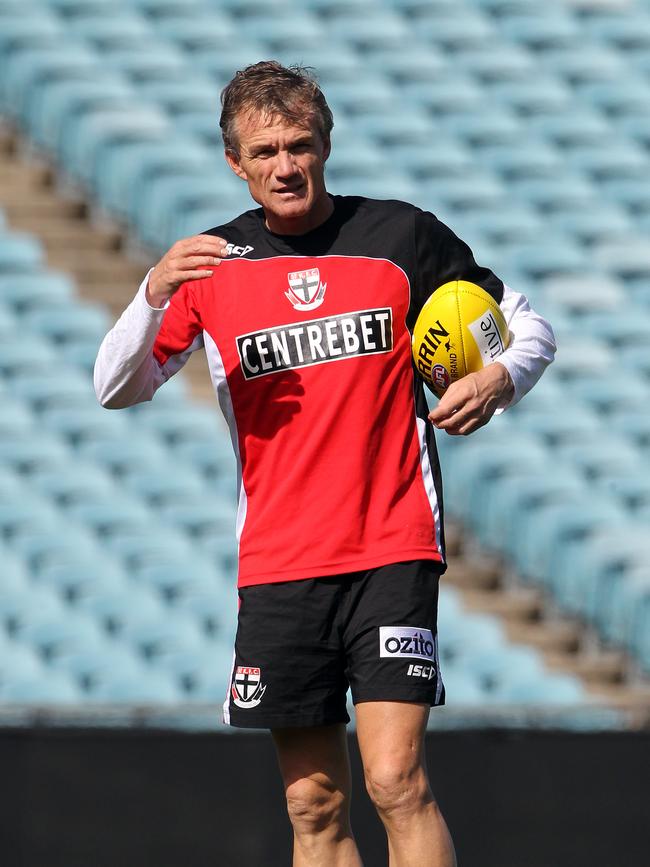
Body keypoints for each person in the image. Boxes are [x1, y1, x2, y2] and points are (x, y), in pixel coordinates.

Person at [94, 62, 556, 867]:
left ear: (326, 143)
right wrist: (152, 291)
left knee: (396, 780)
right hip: (279, 563)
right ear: (235, 162)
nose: (286, 165)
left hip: (392, 545)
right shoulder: (211, 268)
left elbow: (528, 328)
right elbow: (115, 385)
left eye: (300, 144)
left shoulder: (401, 238)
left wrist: (498, 376)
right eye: (265, 150)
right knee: (313, 804)